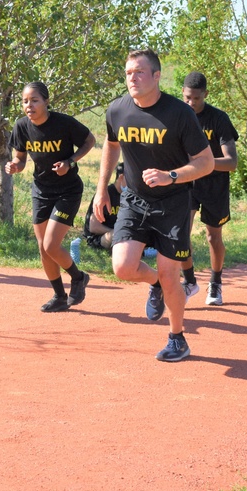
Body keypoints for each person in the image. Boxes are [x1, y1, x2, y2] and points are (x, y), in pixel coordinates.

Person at [93, 49, 214, 362]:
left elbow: (206, 163)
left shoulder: (178, 114)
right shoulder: (117, 109)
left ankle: (177, 338)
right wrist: (101, 189)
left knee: (171, 274)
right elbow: (111, 143)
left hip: (173, 203)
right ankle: (155, 284)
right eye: (129, 73)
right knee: (122, 267)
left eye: (140, 72)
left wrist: (170, 175)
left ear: (157, 76)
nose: (132, 78)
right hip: (134, 200)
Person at [6, 81, 96, 313]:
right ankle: (59, 296)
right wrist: (16, 166)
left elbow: (90, 141)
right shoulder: (22, 126)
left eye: (35, 100)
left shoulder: (63, 123)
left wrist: (70, 161)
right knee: (42, 247)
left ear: (46, 101)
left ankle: (78, 277)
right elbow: (21, 158)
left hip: (68, 190)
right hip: (42, 190)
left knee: (51, 245)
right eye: (25, 101)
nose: (29, 105)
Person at [180, 71, 239, 307]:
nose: (191, 103)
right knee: (181, 235)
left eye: (196, 98)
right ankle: (189, 281)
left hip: (214, 184)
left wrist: (203, 165)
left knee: (213, 237)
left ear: (205, 94)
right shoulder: (179, 116)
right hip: (187, 183)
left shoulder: (218, 119)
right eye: (187, 98)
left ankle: (215, 283)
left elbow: (232, 162)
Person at [82, 163, 125, 251]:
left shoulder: (129, 196)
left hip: (119, 232)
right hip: (99, 237)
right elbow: (94, 227)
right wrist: (116, 231)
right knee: (122, 234)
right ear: (121, 177)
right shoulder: (106, 194)